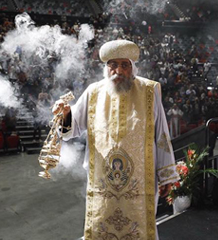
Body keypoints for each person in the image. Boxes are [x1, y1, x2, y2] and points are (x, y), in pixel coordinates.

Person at [53, 40, 178, 240]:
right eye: (113, 64)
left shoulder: (149, 91)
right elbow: (70, 129)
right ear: (106, 67)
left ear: (132, 67)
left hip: (141, 183)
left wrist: (167, 176)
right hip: (103, 183)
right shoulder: (93, 92)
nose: (118, 70)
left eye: (124, 65)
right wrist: (66, 114)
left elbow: (161, 134)